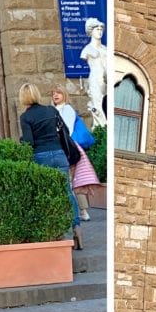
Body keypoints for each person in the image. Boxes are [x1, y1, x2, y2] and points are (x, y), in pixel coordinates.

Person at [18, 83, 82, 248]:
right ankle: (76, 228)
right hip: (59, 154)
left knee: (46, 192)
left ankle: (56, 232)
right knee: (67, 191)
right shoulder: (51, 111)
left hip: (41, 156)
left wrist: (21, 141)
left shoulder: (26, 117)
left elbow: (29, 141)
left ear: (23, 98)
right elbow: (65, 131)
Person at [51, 87, 99, 221]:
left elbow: (68, 129)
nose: (55, 95)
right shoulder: (55, 110)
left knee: (74, 179)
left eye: (58, 92)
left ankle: (83, 211)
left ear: (64, 95)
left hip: (69, 148)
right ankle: (80, 211)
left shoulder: (67, 109)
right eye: (53, 93)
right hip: (64, 147)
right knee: (71, 179)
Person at [80, 18, 108, 124]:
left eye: (101, 29)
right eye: (97, 29)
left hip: (107, 78)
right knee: (98, 107)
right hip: (96, 78)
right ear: (91, 31)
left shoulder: (105, 49)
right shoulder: (87, 50)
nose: (100, 31)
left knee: (107, 105)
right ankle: (101, 131)